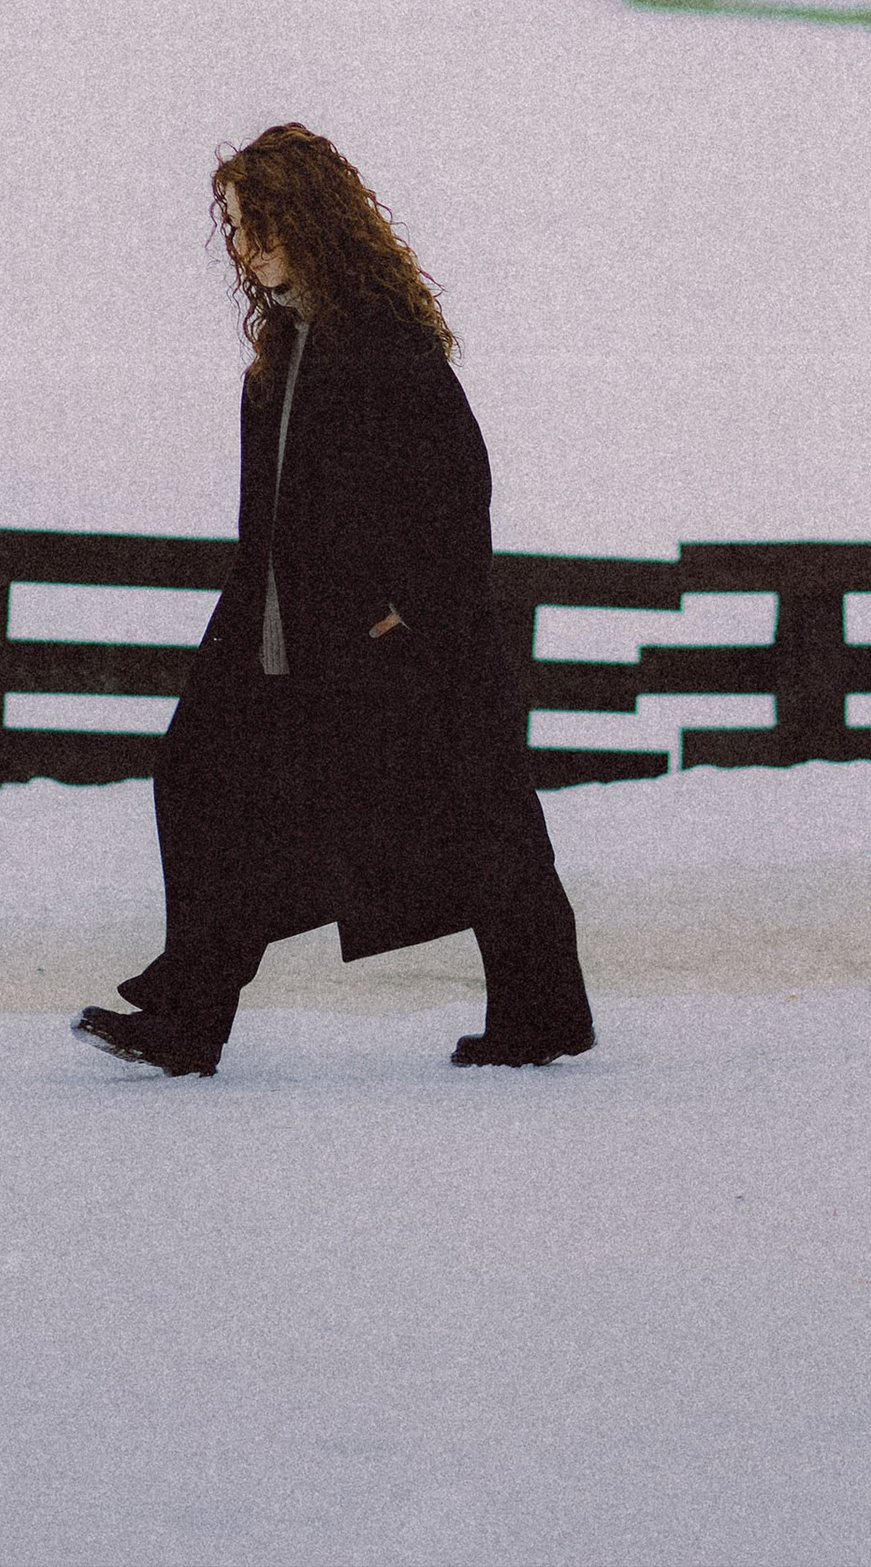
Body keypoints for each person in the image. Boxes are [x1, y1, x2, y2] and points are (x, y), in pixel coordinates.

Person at [73, 121, 594, 1079]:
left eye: (265, 222)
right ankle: (192, 1008)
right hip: (284, 635)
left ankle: (539, 1013)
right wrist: (242, 628)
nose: (248, 244)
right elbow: (267, 522)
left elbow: (458, 490)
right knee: (200, 776)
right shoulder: (283, 349)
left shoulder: (382, 345)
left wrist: (407, 615)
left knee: (477, 822)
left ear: (316, 222)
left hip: (387, 641)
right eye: (236, 225)